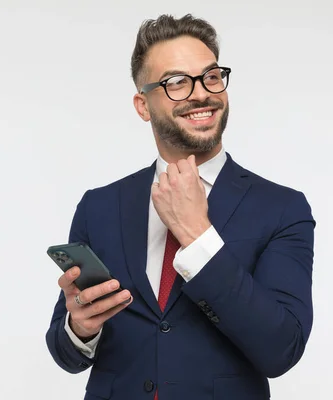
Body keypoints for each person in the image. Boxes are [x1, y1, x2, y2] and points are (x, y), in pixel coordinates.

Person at [46, 13, 316, 400]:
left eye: (210, 77)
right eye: (176, 83)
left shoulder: (282, 208)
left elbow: (281, 350)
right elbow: (65, 352)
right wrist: (80, 328)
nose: (201, 93)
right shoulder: (99, 206)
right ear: (143, 105)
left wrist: (197, 235)